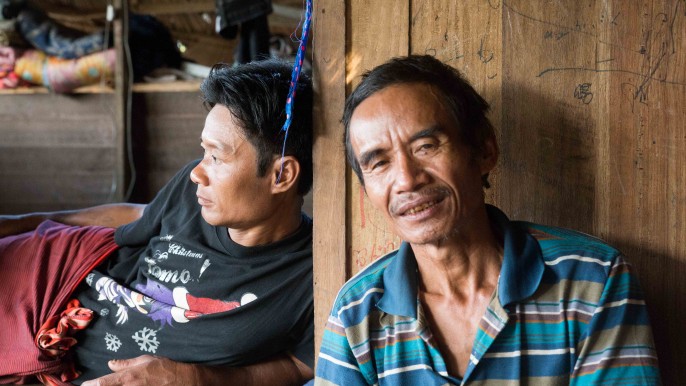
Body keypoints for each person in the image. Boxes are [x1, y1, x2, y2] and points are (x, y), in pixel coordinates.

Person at [315, 55, 661, 385]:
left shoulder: (591, 280)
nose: (407, 180)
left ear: (483, 151)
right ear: (366, 189)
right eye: (379, 163)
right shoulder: (356, 313)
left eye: (426, 146)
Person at [0, 59, 314, 385]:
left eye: (217, 157)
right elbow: (140, 216)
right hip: (46, 290)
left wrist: (201, 379)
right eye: (203, 152)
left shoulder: (310, 278)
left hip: (51, 366)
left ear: (281, 175)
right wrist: (28, 221)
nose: (197, 172)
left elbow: (300, 365)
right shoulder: (191, 192)